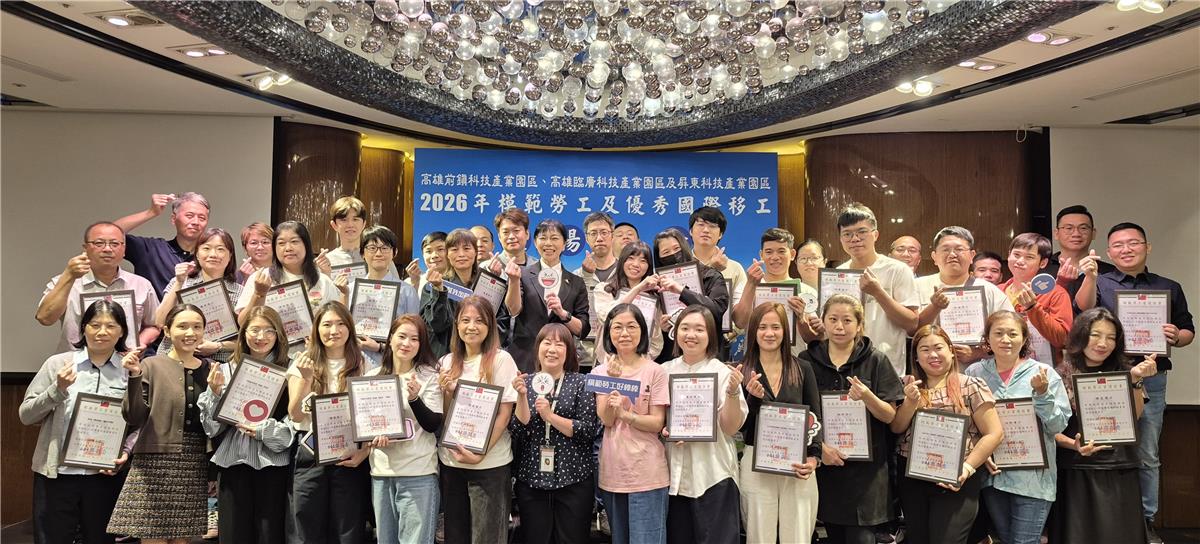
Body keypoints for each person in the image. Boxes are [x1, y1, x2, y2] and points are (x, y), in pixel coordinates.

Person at [1075, 222, 1193, 539]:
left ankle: (1145, 521)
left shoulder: (1169, 286)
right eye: (1118, 245)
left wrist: (1176, 335)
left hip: (1151, 376)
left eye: (1133, 243)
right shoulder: (1101, 282)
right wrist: (1090, 277)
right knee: (1104, 447)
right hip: (1106, 376)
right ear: (1109, 251)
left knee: (1147, 452)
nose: (1126, 249)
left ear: (1147, 247)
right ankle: (1109, 521)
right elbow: (1083, 309)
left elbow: (1187, 331)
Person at [21, 301, 135, 544]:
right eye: (94, 325)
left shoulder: (129, 371)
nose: (102, 332)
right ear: (83, 328)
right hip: (57, 474)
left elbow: (138, 422)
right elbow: (26, 415)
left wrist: (125, 451)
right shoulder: (58, 364)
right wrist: (57, 389)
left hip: (104, 476)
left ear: (122, 332)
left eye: (110, 326)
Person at [1049, 308, 1158, 544]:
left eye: (1110, 337)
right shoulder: (1061, 373)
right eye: (1096, 335)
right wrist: (1074, 446)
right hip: (1076, 466)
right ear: (1081, 335)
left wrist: (1136, 380)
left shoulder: (1125, 370)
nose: (1103, 343)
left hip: (1120, 465)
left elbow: (1135, 415)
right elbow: (1049, 428)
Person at [890, 324, 1004, 544]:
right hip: (913, 477)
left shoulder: (971, 385)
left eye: (938, 347)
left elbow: (994, 433)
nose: (933, 355)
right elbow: (896, 428)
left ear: (951, 351)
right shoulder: (909, 388)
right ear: (916, 357)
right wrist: (910, 402)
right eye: (925, 349)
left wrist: (967, 468)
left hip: (957, 478)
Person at [108, 304, 213, 542]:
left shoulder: (211, 370)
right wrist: (134, 375)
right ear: (167, 331)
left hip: (194, 460)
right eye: (182, 326)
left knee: (182, 538)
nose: (190, 333)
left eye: (197, 327)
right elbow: (134, 416)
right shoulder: (150, 365)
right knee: (152, 535)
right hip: (154, 460)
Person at [964, 311, 1071, 544]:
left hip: (1033, 479)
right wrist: (981, 452)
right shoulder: (975, 374)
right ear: (987, 339)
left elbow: (1057, 425)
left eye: (1013, 334)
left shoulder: (1044, 373)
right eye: (998, 333)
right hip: (993, 476)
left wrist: (1042, 394)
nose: (1006, 339)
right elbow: (968, 423)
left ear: (1024, 339)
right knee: (1006, 539)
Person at [803, 294, 903, 544]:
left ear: (859, 325)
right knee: (833, 536)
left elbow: (890, 416)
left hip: (867, 474)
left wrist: (868, 396)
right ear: (823, 322)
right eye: (833, 319)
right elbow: (800, 412)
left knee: (863, 538)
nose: (840, 326)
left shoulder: (876, 359)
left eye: (847, 320)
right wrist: (820, 448)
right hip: (827, 467)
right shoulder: (807, 360)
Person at [196, 306, 295, 544]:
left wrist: (264, 430)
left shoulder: (290, 370)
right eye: (254, 330)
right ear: (244, 334)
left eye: (269, 331)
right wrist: (214, 393)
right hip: (233, 463)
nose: (261, 337)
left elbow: (294, 424)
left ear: (279, 334)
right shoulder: (226, 369)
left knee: (269, 535)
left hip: (273, 464)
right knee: (233, 534)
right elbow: (212, 429)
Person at [285, 301, 372, 543]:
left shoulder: (363, 363)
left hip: (349, 453)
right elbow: (295, 415)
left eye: (340, 324)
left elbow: (369, 415)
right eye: (327, 325)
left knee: (347, 527)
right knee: (307, 525)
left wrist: (364, 452)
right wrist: (306, 379)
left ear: (349, 328)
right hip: (310, 451)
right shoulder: (303, 361)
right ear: (316, 329)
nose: (334, 331)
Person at [661, 306, 747, 544]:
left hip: (714, 474)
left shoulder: (723, 373)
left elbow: (730, 428)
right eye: (685, 328)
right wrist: (664, 429)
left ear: (710, 335)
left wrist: (732, 392)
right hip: (673, 478)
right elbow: (658, 418)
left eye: (699, 329)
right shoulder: (663, 371)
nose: (691, 335)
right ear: (676, 332)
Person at [437, 297, 520, 544]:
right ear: (456, 324)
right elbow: (446, 417)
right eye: (465, 320)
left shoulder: (501, 360)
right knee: (456, 537)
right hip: (452, 463)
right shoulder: (446, 362)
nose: (471, 326)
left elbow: (504, 415)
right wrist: (447, 393)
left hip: (490, 466)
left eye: (479, 321)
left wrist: (480, 454)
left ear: (490, 326)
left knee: (488, 538)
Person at [509, 323, 602, 544]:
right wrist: (521, 396)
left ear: (568, 351)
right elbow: (519, 429)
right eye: (547, 343)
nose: (552, 349)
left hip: (574, 479)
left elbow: (587, 430)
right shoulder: (526, 382)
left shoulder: (581, 382)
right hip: (532, 479)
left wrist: (550, 416)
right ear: (537, 348)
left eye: (559, 344)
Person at [738, 303, 821, 544]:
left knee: (797, 535)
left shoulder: (802, 368)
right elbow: (739, 427)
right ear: (753, 331)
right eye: (762, 327)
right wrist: (752, 399)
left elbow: (815, 418)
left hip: (797, 463)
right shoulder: (742, 370)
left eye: (776, 327)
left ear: (785, 331)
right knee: (758, 534)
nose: (769, 333)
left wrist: (813, 458)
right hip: (756, 461)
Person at [593, 303, 670, 544]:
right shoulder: (600, 372)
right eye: (617, 327)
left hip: (648, 471)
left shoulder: (656, 371)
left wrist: (627, 416)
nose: (624, 333)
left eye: (631, 327)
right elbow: (606, 419)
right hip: (613, 471)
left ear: (642, 332)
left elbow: (657, 423)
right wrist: (613, 381)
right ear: (608, 333)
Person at [367, 315, 444, 544]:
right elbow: (363, 425)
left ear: (421, 344)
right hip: (381, 473)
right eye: (401, 336)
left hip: (418, 473)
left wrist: (414, 398)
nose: (406, 343)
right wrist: (371, 437)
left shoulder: (429, 376)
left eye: (414, 339)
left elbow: (432, 424)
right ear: (390, 338)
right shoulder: (371, 378)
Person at [36, 221, 161, 352]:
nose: (107, 249)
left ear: (124, 249)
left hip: (125, 361)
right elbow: (45, 318)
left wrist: (140, 342)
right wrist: (69, 276)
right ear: (85, 248)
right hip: (74, 362)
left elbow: (154, 325)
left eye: (114, 244)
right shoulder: (66, 281)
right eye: (99, 243)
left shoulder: (141, 285)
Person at [835, 203, 919, 378]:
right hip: (845, 366)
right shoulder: (838, 274)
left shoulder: (897, 269)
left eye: (862, 232)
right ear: (841, 239)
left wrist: (878, 293)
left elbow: (911, 323)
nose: (855, 239)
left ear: (875, 234)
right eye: (847, 234)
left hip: (888, 366)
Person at [915, 227, 1014, 366]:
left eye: (959, 249)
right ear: (934, 257)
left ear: (972, 255)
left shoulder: (990, 291)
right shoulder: (917, 287)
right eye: (945, 249)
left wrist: (978, 353)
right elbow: (909, 330)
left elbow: (1011, 332)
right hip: (928, 370)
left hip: (978, 371)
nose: (952, 254)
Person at [506, 219, 592, 373]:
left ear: (564, 244)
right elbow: (513, 310)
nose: (548, 243)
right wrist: (513, 281)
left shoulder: (576, 282)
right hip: (525, 360)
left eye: (554, 238)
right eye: (543, 238)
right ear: (535, 242)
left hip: (561, 362)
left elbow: (582, 329)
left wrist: (563, 314)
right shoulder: (521, 274)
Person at [421, 228, 518, 359]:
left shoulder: (489, 284)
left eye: (466, 249)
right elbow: (436, 326)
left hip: (483, 358)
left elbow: (501, 324)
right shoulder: (433, 286)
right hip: (445, 358)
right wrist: (439, 290)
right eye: (454, 249)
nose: (461, 254)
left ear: (476, 252)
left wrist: (484, 348)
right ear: (447, 254)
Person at [155, 227, 243, 362]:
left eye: (220, 249)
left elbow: (246, 339)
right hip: (174, 359)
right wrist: (179, 282)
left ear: (230, 256)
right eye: (206, 248)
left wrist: (218, 346)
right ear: (196, 254)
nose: (213, 254)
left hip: (218, 364)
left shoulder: (240, 292)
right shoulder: (181, 282)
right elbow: (160, 321)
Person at [235, 221, 343, 320]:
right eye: (281, 243)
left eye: (294, 241)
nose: (288, 248)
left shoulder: (323, 281)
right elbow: (242, 321)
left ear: (306, 245)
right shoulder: (260, 278)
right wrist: (259, 293)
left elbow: (337, 318)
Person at [732, 228, 819, 348]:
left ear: (792, 254)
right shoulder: (746, 286)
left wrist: (801, 318)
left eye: (781, 251)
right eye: (769, 252)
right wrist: (751, 285)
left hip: (794, 357)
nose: (775, 257)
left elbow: (812, 339)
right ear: (761, 255)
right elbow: (740, 322)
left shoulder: (807, 291)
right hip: (756, 357)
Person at [652, 229, 730, 362]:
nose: (673, 254)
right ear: (659, 258)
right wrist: (663, 328)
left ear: (685, 247)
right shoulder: (656, 286)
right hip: (673, 356)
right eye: (666, 252)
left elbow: (717, 309)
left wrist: (681, 291)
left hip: (709, 355)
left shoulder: (711, 275)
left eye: (677, 249)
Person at [113, 192, 210, 295]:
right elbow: (110, 233)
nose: (195, 222)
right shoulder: (150, 250)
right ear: (173, 219)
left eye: (202, 218)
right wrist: (151, 212)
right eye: (189, 216)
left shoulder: (210, 257)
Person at [1001, 233, 1074, 367]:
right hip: (1002, 367)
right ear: (1009, 255)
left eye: (1029, 257)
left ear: (1043, 263)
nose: (1020, 261)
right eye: (1016, 254)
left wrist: (1033, 307)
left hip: (1044, 369)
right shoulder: (997, 291)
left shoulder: (1056, 293)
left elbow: (1062, 339)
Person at [356, 226, 420, 367]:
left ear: (394, 252)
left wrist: (380, 347)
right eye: (372, 248)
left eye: (385, 248)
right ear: (362, 253)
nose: (378, 253)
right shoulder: (351, 289)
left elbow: (414, 335)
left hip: (393, 364)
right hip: (356, 362)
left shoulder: (407, 291)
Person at [593, 241, 665, 363]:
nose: (636, 264)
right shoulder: (604, 289)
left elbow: (656, 340)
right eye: (631, 258)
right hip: (607, 362)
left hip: (640, 364)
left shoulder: (653, 298)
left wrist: (638, 361)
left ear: (649, 267)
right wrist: (638, 289)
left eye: (643, 261)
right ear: (622, 261)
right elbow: (607, 316)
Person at [689, 207, 748, 325]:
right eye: (701, 225)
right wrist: (712, 269)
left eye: (712, 226)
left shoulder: (735, 268)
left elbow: (741, 319)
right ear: (691, 231)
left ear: (720, 234)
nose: (706, 230)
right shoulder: (681, 268)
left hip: (725, 335)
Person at [575, 212, 618, 369]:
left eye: (604, 232)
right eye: (593, 233)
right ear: (586, 238)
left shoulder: (625, 273)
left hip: (619, 354)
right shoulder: (576, 276)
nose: (599, 238)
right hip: (583, 356)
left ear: (612, 235)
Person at [1043, 205, 1115, 293]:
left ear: (1093, 233)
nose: (1076, 234)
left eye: (1083, 228)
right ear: (1056, 234)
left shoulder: (1110, 272)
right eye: (1069, 228)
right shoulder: (1042, 268)